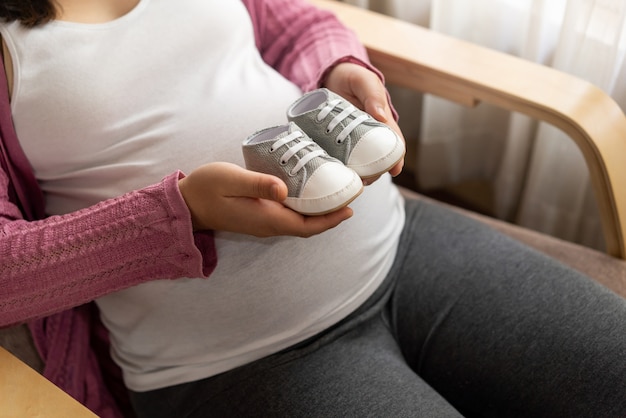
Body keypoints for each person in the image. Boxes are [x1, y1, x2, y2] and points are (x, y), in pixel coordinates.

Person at [0, 0, 624, 417]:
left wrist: (334, 73)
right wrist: (182, 215)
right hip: (237, 361)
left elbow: (295, 24)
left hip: (406, 247)